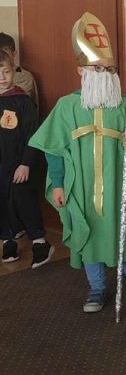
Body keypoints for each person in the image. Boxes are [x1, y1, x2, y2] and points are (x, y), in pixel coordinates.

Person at [29, 12, 126, 312]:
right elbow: (53, 147)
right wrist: (57, 183)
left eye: (109, 69)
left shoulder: (123, 107)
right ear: (81, 70)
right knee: (87, 234)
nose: (103, 74)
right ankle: (97, 288)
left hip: (116, 187)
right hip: (81, 188)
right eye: (96, 68)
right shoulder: (67, 106)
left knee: (125, 236)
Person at [0, 50, 51, 267]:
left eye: (6, 71)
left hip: (20, 163)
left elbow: (33, 135)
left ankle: (40, 242)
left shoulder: (22, 101)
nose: (2, 77)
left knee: (24, 200)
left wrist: (26, 163)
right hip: (1, 165)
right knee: (2, 201)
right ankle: (8, 241)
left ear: (13, 71)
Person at [0, 32, 38, 108]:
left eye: (5, 54)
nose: (2, 57)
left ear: (14, 54)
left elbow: (19, 104)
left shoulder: (25, 76)